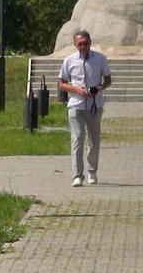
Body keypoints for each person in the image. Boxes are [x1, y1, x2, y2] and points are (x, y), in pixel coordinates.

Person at [57, 29, 112, 188]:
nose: (83, 47)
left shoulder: (100, 59)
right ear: (75, 45)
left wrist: (99, 88)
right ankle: (77, 175)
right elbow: (61, 83)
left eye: (86, 43)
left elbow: (108, 80)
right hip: (76, 104)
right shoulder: (69, 61)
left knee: (94, 140)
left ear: (90, 43)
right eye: (80, 44)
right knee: (78, 138)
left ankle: (92, 171)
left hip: (94, 105)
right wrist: (76, 89)